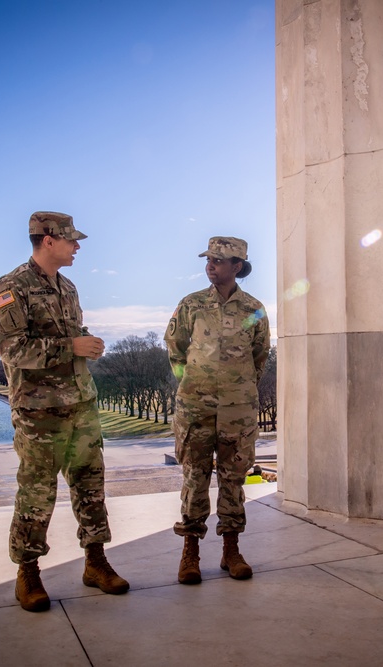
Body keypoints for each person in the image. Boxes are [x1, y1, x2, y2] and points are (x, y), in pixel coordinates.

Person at [0, 210, 129, 613]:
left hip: (80, 404)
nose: (78, 247)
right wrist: (71, 347)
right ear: (48, 240)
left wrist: (86, 342)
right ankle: (28, 573)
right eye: (71, 239)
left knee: (91, 486)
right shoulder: (10, 288)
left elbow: (66, 336)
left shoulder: (67, 286)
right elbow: (12, 349)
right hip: (39, 412)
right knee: (36, 492)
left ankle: (96, 562)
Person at [164, 236, 270, 585]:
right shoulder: (191, 304)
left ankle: (231, 550)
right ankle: (190, 552)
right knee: (195, 479)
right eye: (208, 259)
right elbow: (175, 348)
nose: (210, 265)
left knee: (233, 479)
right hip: (195, 407)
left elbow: (260, 355)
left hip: (237, 410)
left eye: (219, 261)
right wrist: (190, 383)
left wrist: (239, 387)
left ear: (237, 266)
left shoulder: (254, 308)